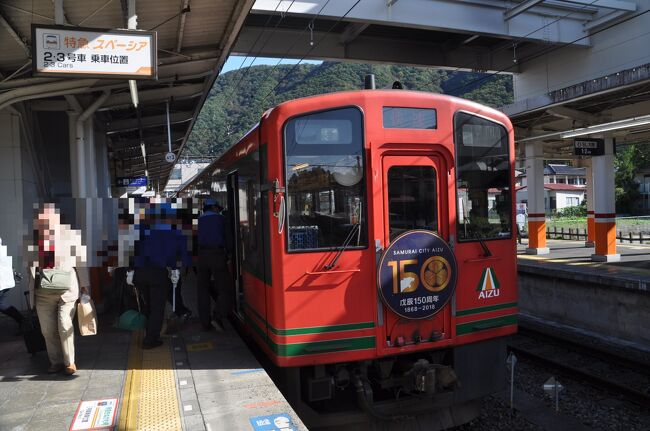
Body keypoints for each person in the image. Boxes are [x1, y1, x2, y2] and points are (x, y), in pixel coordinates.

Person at [28, 203, 90, 375]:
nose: (43, 221)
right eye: (41, 218)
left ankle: (70, 362)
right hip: (42, 293)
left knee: (64, 325)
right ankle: (55, 361)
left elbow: (81, 263)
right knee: (47, 330)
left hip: (66, 290)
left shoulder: (71, 236)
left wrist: (85, 286)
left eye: (48, 217)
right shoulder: (33, 239)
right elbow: (30, 268)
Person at [132, 201, 192, 349]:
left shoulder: (142, 229)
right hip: (157, 273)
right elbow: (179, 256)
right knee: (157, 308)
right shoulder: (173, 233)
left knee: (148, 306)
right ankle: (150, 340)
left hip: (139, 273)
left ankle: (148, 332)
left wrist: (130, 270)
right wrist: (177, 269)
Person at [196, 200, 232, 331]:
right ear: (213, 207)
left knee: (202, 289)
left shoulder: (198, 221)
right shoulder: (221, 219)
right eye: (218, 208)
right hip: (217, 254)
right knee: (224, 288)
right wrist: (230, 254)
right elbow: (228, 238)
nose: (219, 210)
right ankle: (217, 315)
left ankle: (205, 322)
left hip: (201, 256)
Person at [0, 237, 24, 334]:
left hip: (2, 282)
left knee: (3, 305)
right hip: (4, 282)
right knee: (3, 305)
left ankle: (22, 321)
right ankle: (22, 321)